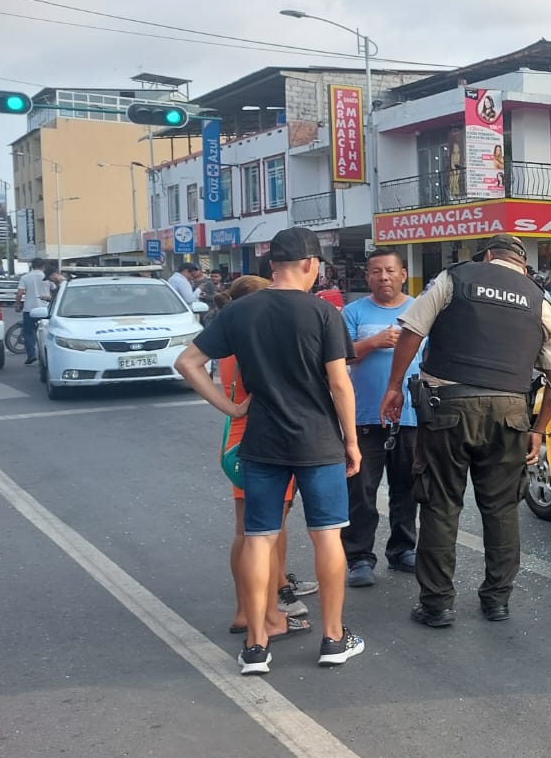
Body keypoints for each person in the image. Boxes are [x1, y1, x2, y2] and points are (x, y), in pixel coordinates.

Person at [174, 226, 365, 676]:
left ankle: (256, 647)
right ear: (310, 264)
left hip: (261, 440)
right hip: (318, 441)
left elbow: (187, 363)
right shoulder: (323, 313)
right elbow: (339, 383)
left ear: (271, 264)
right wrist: (352, 442)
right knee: (327, 536)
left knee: (259, 537)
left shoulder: (241, 311)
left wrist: (231, 406)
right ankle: (334, 638)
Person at [380, 234, 551, 627]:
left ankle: (436, 606)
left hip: (447, 408)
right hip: (511, 413)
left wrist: (395, 386)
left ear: (486, 255)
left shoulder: (454, 279)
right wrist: (539, 428)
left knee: (440, 504)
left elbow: (412, 333)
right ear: (521, 264)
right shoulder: (541, 301)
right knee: (501, 509)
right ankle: (497, 600)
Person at [216, 274, 310, 641]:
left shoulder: (230, 339)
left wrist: (231, 409)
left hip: (237, 441)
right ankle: (269, 614)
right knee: (264, 534)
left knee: (248, 531)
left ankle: (246, 610)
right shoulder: (254, 341)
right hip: (263, 441)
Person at [341, 249, 422, 588]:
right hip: (364, 416)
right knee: (361, 489)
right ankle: (359, 557)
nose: (383, 277)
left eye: (390, 271)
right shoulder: (352, 312)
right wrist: (374, 342)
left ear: (403, 274)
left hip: (411, 416)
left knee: (407, 487)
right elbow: (339, 356)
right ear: (368, 277)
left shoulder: (420, 309)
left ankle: (403, 549)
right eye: (376, 271)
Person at [14, 257, 52, 364]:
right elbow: (54, 288)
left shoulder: (25, 277)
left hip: (29, 310)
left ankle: (31, 355)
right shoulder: (47, 277)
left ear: (32, 265)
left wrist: (17, 304)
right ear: (43, 266)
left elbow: (20, 293)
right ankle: (46, 355)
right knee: (48, 333)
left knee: (28, 333)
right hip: (46, 309)